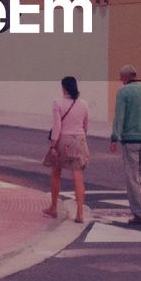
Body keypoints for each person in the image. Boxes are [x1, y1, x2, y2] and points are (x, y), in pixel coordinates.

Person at [108, 64, 141, 226]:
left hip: (130, 140)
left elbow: (119, 116)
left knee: (131, 177)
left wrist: (114, 138)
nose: (120, 80)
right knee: (140, 174)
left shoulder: (124, 92)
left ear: (125, 78)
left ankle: (139, 213)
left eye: (121, 77)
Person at [42, 76, 90, 224]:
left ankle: (54, 207)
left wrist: (52, 145)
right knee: (78, 176)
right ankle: (80, 213)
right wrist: (81, 139)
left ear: (64, 87)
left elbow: (57, 127)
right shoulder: (84, 104)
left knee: (56, 172)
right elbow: (85, 125)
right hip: (80, 139)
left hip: (63, 140)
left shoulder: (58, 103)